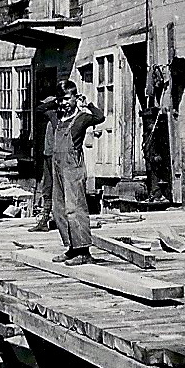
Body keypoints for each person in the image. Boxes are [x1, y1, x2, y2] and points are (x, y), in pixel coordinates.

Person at [40, 80, 105, 265]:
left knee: (74, 208)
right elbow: (39, 109)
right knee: (58, 208)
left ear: (75, 98)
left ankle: (84, 252)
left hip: (73, 168)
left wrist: (87, 104)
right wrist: (57, 101)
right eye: (60, 100)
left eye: (67, 99)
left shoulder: (82, 118)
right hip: (57, 166)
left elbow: (100, 117)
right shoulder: (56, 117)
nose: (63, 103)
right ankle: (71, 248)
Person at [28, 91, 59, 232]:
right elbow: (40, 109)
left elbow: (40, 109)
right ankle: (45, 219)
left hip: (56, 156)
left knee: (56, 188)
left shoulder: (55, 115)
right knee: (47, 187)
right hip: (48, 155)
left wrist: (53, 102)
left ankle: (56, 219)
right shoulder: (50, 116)